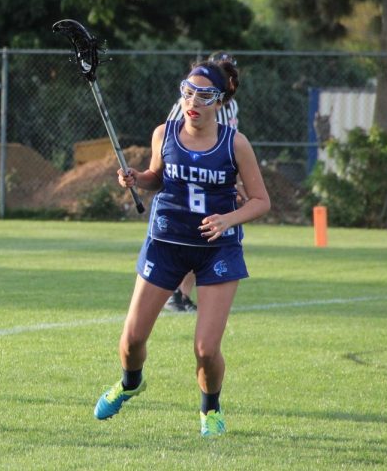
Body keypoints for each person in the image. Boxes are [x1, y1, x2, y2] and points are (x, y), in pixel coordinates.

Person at [93, 56, 270, 437]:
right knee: (132, 340)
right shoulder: (164, 133)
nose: (193, 101)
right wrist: (138, 178)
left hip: (217, 251)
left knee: (206, 349)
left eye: (204, 95)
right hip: (165, 244)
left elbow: (260, 201)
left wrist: (227, 220)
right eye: (188, 92)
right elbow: (158, 177)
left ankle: (211, 409)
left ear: (220, 102)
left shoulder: (235, 144)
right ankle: (130, 382)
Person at [163, 52, 246, 313]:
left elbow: (232, 146)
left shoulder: (229, 106)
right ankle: (177, 293)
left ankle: (183, 294)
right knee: (194, 236)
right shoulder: (193, 100)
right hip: (191, 179)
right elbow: (174, 134)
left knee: (207, 238)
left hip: (216, 181)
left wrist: (237, 179)